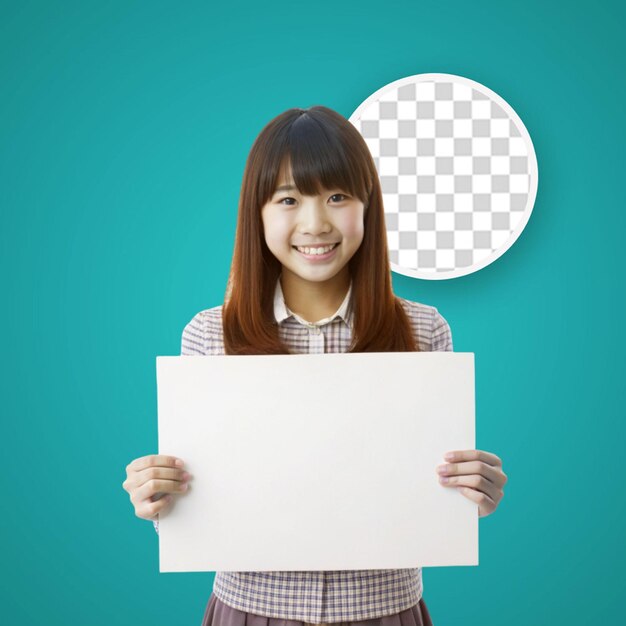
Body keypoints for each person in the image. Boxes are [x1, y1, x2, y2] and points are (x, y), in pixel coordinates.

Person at [122, 105, 508, 626]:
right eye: (288, 199)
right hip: (251, 610)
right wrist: (157, 499)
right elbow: (199, 500)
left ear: (367, 207)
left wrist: (472, 496)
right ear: (256, 214)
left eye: (337, 196)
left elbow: (435, 493)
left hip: (384, 610)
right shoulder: (210, 335)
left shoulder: (424, 330)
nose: (315, 223)